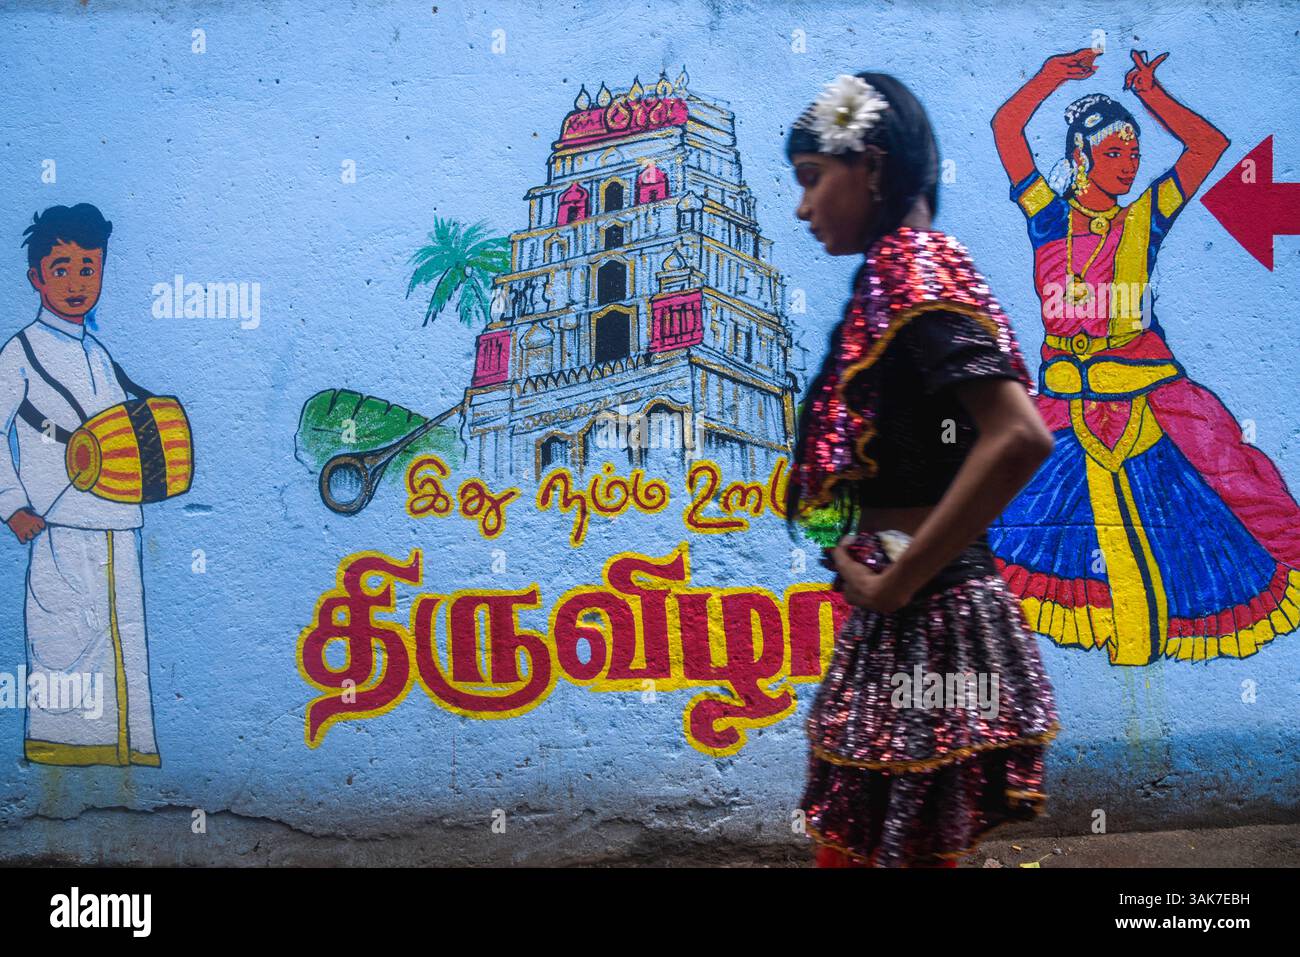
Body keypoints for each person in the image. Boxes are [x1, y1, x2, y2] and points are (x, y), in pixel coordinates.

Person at [784, 72, 1061, 867]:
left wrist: (894, 583)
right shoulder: (895, 277)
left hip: (925, 617)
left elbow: (1017, 437)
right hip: (905, 614)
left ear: (871, 165)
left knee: (882, 849)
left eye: (812, 179)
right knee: (873, 845)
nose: (803, 208)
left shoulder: (918, 273)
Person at [989, 48, 1300, 665]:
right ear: (1080, 157)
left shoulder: (1145, 218)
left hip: (1145, 397)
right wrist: (1051, 78)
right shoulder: (1047, 218)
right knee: (1001, 503)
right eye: (1114, 153)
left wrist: (1150, 93)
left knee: (1215, 500)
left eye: (1134, 154)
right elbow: (1007, 130)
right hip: (1063, 402)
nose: (1130, 166)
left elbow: (1205, 147)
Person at [0, 203, 160, 766]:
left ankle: (126, 754)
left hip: (118, 521)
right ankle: (68, 768)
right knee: (66, 646)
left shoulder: (99, 354)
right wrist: (13, 504)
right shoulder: (18, 354)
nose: (75, 282)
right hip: (59, 528)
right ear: (36, 278)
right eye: (61, 267)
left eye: (88, 268)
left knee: (123, 642)